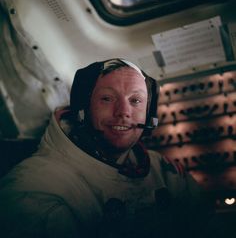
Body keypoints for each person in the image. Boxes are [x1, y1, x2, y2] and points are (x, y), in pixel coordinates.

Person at [0, 58, 211, 238]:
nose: (123, 112)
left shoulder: (164, 171)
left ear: (149, 115)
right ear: (83, 108)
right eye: (107, 99)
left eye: (136, 100)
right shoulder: (35, 189)